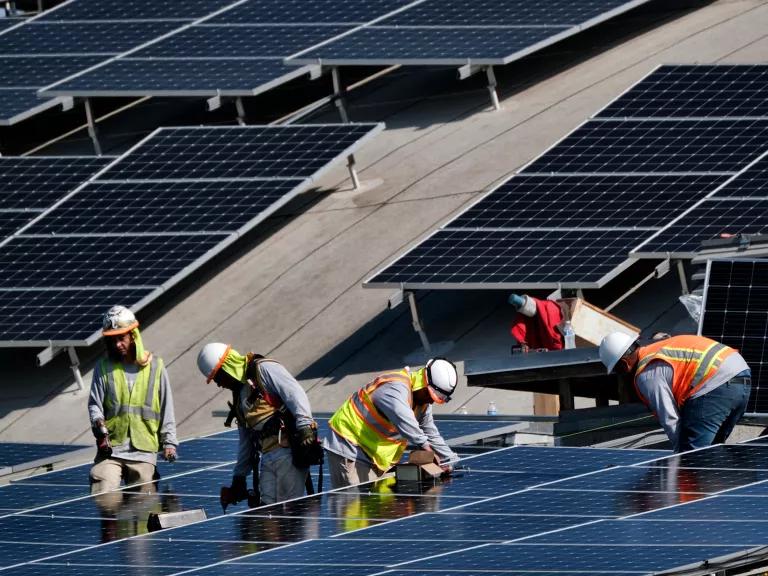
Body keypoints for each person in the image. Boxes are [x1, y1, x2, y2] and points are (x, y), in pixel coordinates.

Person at [196, 343, 318, 507]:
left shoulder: (263, 369)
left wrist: (304, 425)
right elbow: (246, 441)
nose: (219, 384)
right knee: (268, 511)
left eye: (217, 377)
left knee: (288, 511)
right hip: (267, 457)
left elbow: (294, 393)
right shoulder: (240, 397)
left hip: (288, 451)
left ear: (227, 367)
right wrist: (239, 477)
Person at [599, 332, 751, 452]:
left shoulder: (647, 374)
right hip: (742, 375)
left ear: (624, 364)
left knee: (693, 458)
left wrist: (681, 455)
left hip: (715, 385)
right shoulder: (659, 349)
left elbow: (670, 419)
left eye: (617, 370)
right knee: (712, 452)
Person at [324, 358, 460, 488]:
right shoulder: (395, 387)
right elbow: (406, 421)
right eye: (430, 396)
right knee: (354, 505)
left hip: (375, 455)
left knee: (375, 504)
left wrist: (450, 459)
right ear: (424, 384)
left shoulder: (423, 402)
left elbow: (431, 433)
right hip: (350, 445)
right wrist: (428, 451)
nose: (431, 401)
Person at [88, 305, 178, 495]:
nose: (117, 345)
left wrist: (169, 443)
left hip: (143, 451)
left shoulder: (156, 367)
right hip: (112, 450)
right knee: (102, 486)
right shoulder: (103, 368)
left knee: (143, 500)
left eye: (121, 338)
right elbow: (95, 404)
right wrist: (98, 422)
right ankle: (110, 522)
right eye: (112, 340)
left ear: (133, 335)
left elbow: (166, 408)